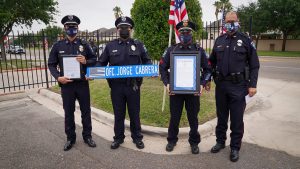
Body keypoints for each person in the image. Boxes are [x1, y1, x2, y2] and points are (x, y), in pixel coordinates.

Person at [209, 11, 260, 162]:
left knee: (237, 119)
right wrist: (208, 78)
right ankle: (220, 141)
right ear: (224, 23)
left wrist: (252, 85)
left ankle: (235, 147)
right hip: (222, 85)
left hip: (239, 86)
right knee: (221, 116)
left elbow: (254, 65)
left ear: (238, 22)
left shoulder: (245, 40)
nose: (230, 24)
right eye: (228, 22)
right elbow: (211, 62)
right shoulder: (219, 40)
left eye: (233, 21)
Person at [98, 16, 152, 150]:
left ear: (130, 29)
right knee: (119, 113)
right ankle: (118, 138)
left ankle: (137, 137)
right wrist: (92, 71)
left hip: (133, 85)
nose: (124, 30)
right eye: (121, 28)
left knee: (134, 113)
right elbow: (101, 63)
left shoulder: (138, 44)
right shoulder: (110, 46)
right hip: (116, 86)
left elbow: (147, 61)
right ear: (117, 30)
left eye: (126, 28)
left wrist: (151, 70)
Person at [159, 20, 211, 154]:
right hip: (175, 91)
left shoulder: (199, 50)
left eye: (187, 32)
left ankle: (194, 142)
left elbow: (208, 69)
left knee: (193, 118)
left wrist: (201, 84)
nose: (185, 34)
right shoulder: (171, 50)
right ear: (178, 33)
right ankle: (171, 140)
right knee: (174, 117)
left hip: (193, 92)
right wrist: (167, 83)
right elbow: (162, 68)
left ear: (191, 33)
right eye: (182, 32)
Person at [48, 15, 97, 151]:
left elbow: (94, 60)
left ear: (77, 28)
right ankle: (70, 138)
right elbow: (51, 64)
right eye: (69, 27)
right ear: (64, 28)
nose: (71, 29)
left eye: (74, 27)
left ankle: (87, 136)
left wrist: (86, 61)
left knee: (86, 111)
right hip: (66, 85)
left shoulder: (84, 45)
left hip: (82, 84)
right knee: (68, 112)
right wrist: (58, 77)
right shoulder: (58, 46)